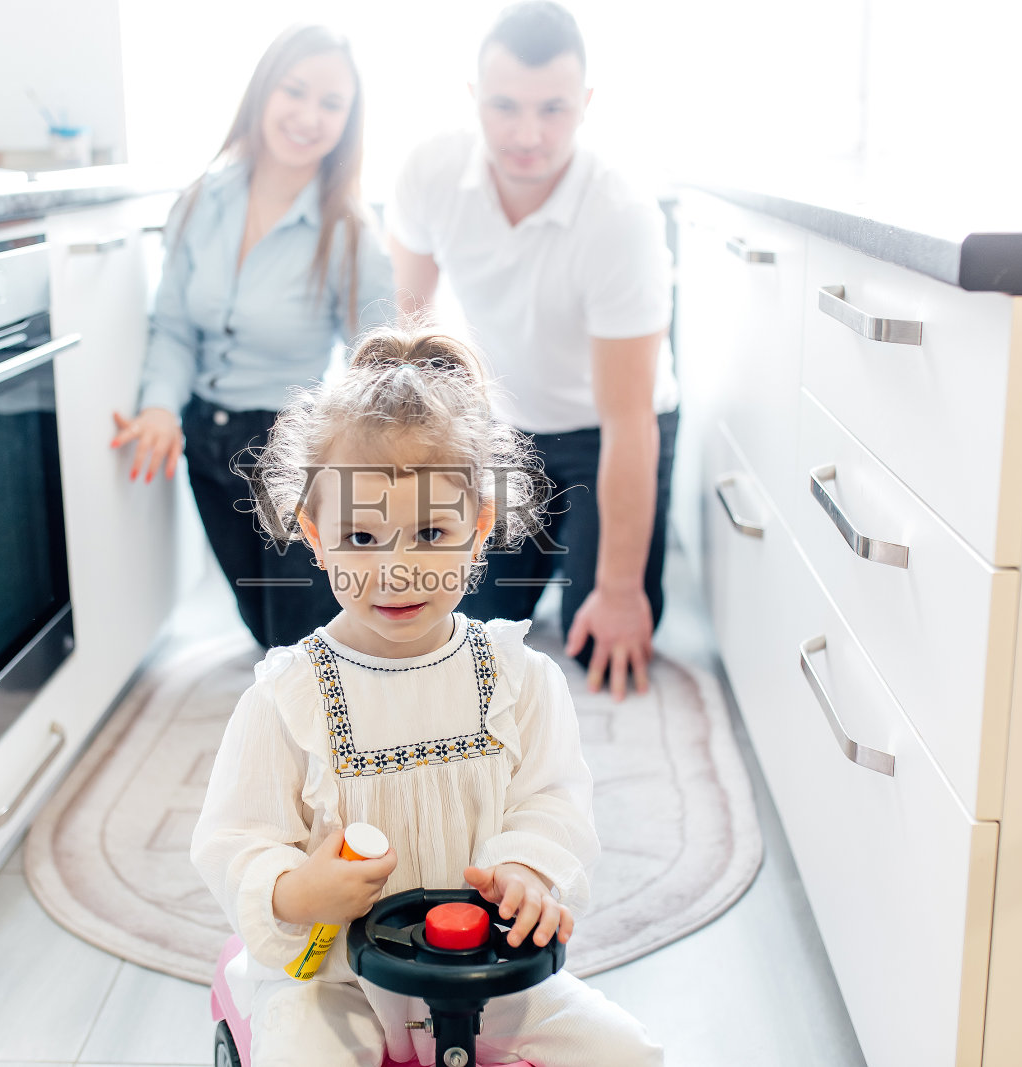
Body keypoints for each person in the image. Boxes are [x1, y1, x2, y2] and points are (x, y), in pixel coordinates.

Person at [191, 326, 663, 1067]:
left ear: (478, 531)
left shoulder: (519, 679)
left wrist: (529, 871)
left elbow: (552, 803)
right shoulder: (288, 697)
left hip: (488, 974)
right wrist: (292, 889)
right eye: (363, 536)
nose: (398, 568)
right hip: (337, 979)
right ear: (315, 536)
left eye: (430, 531)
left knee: (626, 1052)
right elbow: (233, 839)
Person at [388, 1, 675, 702]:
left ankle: (588, 574)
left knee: (597, 636)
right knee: (471, 630)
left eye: (553, 109)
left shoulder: (621, 216)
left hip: (607, 433)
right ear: (473, 99)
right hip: (502, 432)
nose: (527, 133)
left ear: (585, 103)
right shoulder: (429, 171)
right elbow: (407, 345)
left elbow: (628, 419)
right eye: (505, 106)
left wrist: (618, 590)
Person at [111, 24, 394, 649]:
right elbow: (175, 328)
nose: (308, 115)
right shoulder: (199, 203)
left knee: (305, 643)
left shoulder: (349, 233)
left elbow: (378, 363)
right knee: (265, 634)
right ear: (263, 92)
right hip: (206, 448)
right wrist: (159, 405)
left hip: (289, 451)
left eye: (331, 103)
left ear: (349, 122)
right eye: (295, 91)